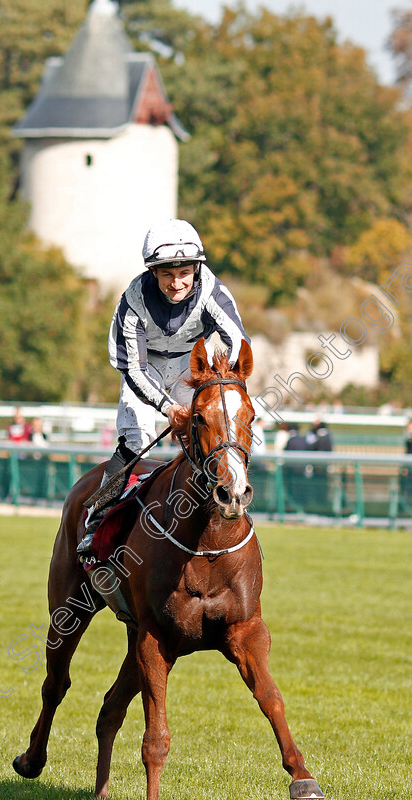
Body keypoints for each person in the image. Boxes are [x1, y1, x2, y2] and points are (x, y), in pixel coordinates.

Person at [77, 218, 250, 555]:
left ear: (196, 269)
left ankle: (225, 505)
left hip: (192, 368)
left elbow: (239, 344)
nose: (176, 283)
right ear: (153, 273)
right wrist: (169, 409)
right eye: (167, 274)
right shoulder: (133, 301)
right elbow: (134, 369)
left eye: (184, 272)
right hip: (145, 373)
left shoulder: (215, 292)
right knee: (136, 439)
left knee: (216, 429)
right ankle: (95, 523)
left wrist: (222, 384)